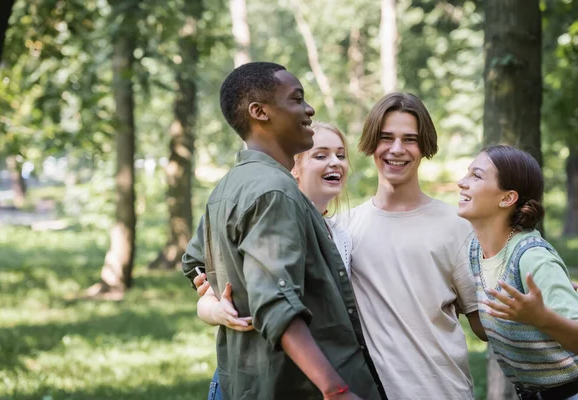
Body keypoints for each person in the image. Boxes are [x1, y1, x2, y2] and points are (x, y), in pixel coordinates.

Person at [181, 62, 384, 400]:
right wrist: (336, 389)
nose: (309, 109)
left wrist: (215, 286)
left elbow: (194, 263)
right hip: (294, 387)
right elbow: (276, 302)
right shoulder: (274, 192)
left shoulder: (227, 187)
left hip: (244, 382)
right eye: (296, 99)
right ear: (260, 112)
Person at [339, 92, 486, 399]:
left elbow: (484, 326)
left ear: (423, 147)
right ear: (371, 143)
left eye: (409, 139)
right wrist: (214, 306)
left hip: (445, 392)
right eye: (386, 137)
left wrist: (540, 305)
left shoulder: (457, 228)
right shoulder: (343, 229)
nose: (396, 149)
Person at [195, 122, 356, 400]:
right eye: (321, 155)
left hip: (316, 377)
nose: (335, 163)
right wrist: (219, 311)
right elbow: (208, 297)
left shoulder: (343, 234)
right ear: (294, 168)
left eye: (341, 155)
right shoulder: (269, 220)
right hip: (258, 381)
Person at [457, 145, 578, 399]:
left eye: (476, 176)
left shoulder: (533, 257)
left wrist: (541, 317)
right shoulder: (476, 251)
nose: (461, 183)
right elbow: (486, 332)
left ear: (507, 198)